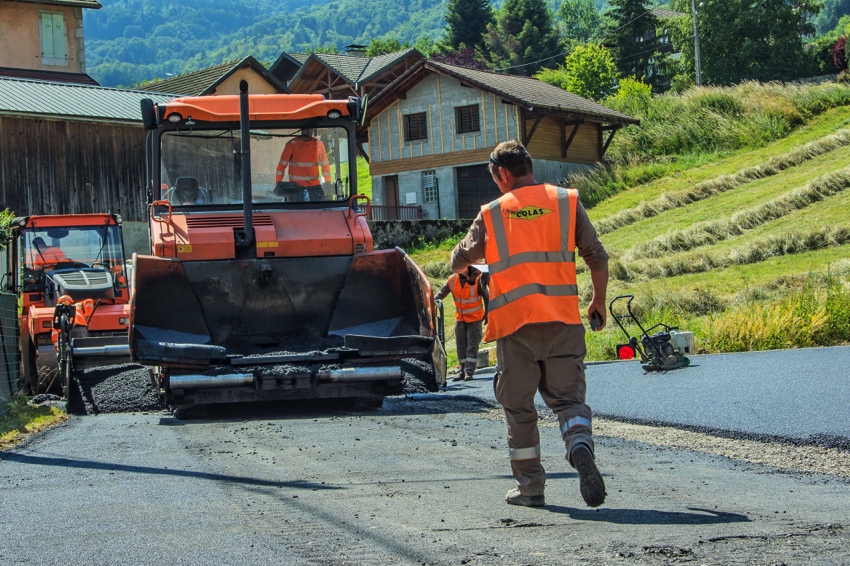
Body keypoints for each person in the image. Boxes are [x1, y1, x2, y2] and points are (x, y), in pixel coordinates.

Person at [450, 139, 609, 509]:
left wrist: (469, 259)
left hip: (515, 327)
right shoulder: (567, 200)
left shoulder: (491, 212)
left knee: (519, 409)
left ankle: (530, 489)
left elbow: (460, 262)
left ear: (503, 174)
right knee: (569, 400)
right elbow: (596, 256)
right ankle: (579, 445)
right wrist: (598, 300)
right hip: (563, 321)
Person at [435, 265, 489, 382]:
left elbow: (487, 296)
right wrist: (429, 301)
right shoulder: (452, 280)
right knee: (460, 345)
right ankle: (462, 370)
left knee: (472, 346)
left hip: (475, 319)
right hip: (460, 319)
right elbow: (441, 294)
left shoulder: (477, 280)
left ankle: (469, 372)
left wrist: (487, 313)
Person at [275, 128, 331, 201]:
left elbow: (325, 165)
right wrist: (278, 183)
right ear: (301, 129)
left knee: (317, 210)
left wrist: (328, 183)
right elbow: (281, 167)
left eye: (311, 129)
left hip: (314, 187)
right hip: (295, 187)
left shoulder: (318, 144)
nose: (309, 130)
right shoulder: (292, 144)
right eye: (306, 128)